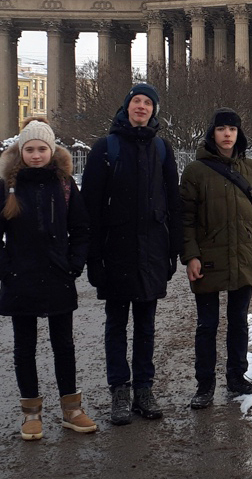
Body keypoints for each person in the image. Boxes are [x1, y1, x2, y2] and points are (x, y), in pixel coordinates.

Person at [0, 119, 97, 441]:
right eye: (29, 149)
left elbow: (82, 230)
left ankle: (72, 410)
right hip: (21, 280)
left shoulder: (66, 185)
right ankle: (31, 413)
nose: (35, 154)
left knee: (64, 347)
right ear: (20, 151)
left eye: (41, 148)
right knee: (24, 348)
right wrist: (8, 272)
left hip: (58, 277)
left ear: (52, 150)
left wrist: (74, 264)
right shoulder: (6, 187)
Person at [82, 84, 181, 426]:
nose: (142, 106)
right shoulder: (105, 148)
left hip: (151, 249)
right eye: (136, 101)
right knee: (116, 323)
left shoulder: (161, 148)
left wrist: (173, 249)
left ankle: (143, 388)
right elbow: (90, 209)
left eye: (148, 102)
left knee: (146, 324)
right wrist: (93, 258)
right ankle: (119, 390)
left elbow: (173, 203)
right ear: (127, 108)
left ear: (154, 110)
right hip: (116, 250)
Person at [180, 108, 252, 409]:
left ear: (238, 133)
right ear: (212, 133)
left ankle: (237, 377)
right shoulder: (195, 171)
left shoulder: (250, 168)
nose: (227, 134)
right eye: (221, 128)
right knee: (207, 325)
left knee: (238, 322)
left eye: (232, 128)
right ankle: (205, 384)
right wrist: (190, 255)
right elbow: (186, 219)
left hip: (243, 254)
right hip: (208, 258)